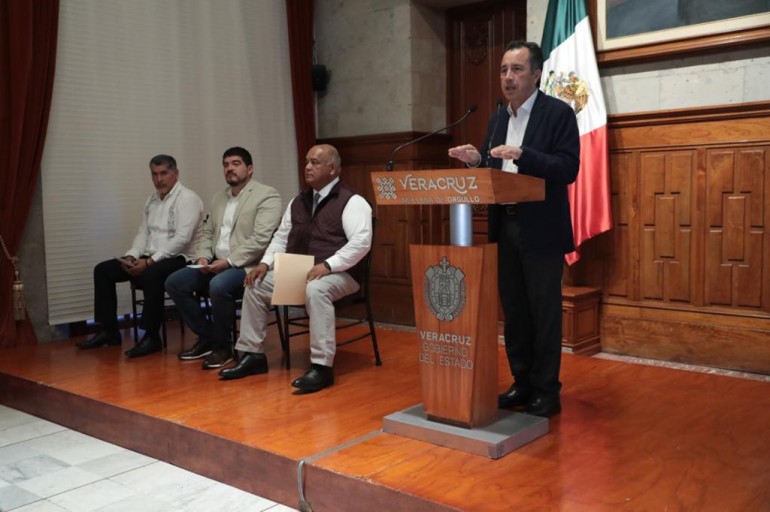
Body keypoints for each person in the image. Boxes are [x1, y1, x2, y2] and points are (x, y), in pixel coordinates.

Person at [448, 41, 580, 417]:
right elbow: (496, 171)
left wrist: (524, 156)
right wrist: (476, 160)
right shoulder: (497, 120)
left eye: (517, 69)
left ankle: (546, 390)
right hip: (504, 225)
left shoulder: (558, 113)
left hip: (541, 228)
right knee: (515, 310)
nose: (508, 77)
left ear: (536, 75)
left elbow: (568, 168)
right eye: (504, 70)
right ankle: (521, 382)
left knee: (543, 311)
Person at [218, 144, 372, 394]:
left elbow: (361, 243)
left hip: (341, 273)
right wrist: (265, 263)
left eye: (315, 163)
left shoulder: (352, 201)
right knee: (255, 284)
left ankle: (321, 366)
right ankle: (252, 355)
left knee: (317, 290)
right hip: (301, 272)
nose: (308, 167)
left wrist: (329, 265)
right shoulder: (298, 201)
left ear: (333, 169)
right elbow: (280, 238)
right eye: (307, 162)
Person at [165, 147, 282, 370]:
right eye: (226, 164)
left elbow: (260, 239)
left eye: (236, 163)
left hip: (248, 265)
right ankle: (208, 337)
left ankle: (223, 347)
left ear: (249, 169)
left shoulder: (267, 195)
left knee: (218, 285)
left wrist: (228, 262)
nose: (229, 168)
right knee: (175, 282)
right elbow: (207, 232)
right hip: (215, 263)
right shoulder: (219, 197)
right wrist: (202, 257)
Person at [77, 155, 204, 358]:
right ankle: (109, 331)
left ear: (176, 174)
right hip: (151, 256)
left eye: (164, 173)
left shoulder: (188, 199)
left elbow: (182, 239)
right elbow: (143, 234)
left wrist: (150, 261)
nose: (159, 179)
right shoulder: (151, 200)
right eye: (154, 174)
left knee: (152, 273)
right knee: (103, 270)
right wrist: (131, 256)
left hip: (181, 258)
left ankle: (152, 337)